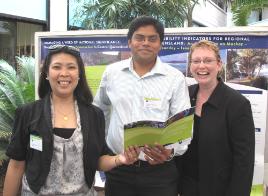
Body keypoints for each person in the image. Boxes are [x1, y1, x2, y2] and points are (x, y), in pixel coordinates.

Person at [3, 45, 139, 196]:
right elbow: (16, 165)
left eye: (71, 67)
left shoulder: (94, 115)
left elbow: (99, 160)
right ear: (46, 73)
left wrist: (119, 159)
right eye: (56, 67)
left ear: (79, 73)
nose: (64, 73)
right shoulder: (28, 113)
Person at [94, 16, 191, 196]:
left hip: (159, 171)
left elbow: (183, 127)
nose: (145, 43)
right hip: (119, 168)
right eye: (140, 37)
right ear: (130, 42)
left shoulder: (175, 78)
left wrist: (169, 153)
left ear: (160, 44)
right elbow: (100, 110)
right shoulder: (112, 73)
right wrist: (108, 141)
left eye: (152, 39)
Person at [178, 40, 255, 196]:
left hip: (219, 189)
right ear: (190, 66)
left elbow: (244, 161)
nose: (201, 66)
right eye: (196, 61)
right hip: (185, 187)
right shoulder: (184, 96)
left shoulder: (237, 104)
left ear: (219, 64)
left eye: (208, 60)